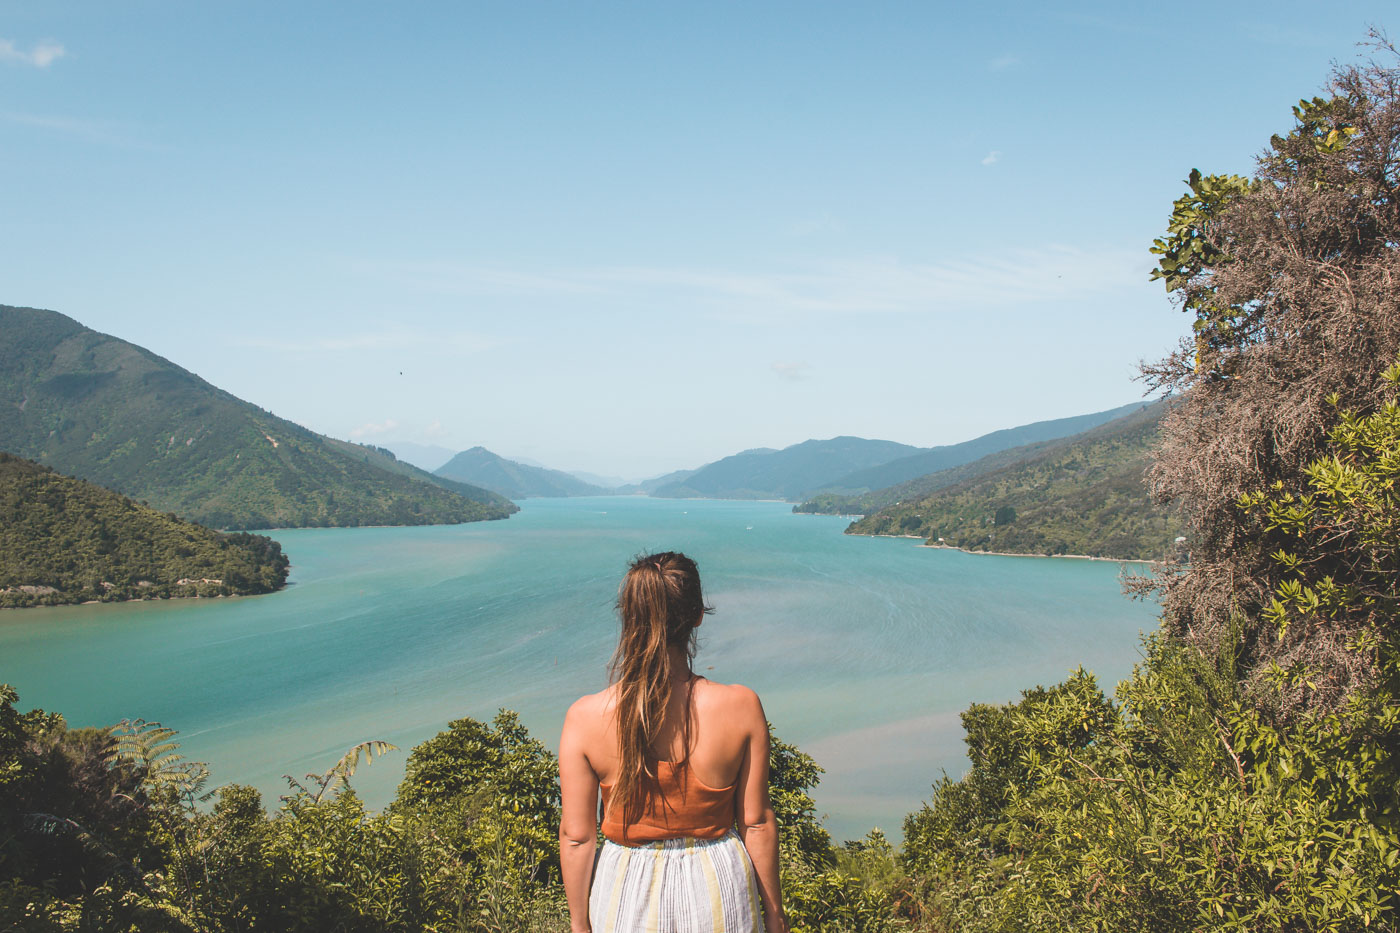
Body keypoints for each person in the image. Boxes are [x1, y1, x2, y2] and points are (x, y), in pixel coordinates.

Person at [558, 551, 788, 933]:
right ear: (698, 615)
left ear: (630, 617)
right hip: (719, 888)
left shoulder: (584, 716)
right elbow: (757, 823)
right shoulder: (741, 706)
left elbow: (577, 837)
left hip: (624, 891)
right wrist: (775, 915)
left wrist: (580, 924)